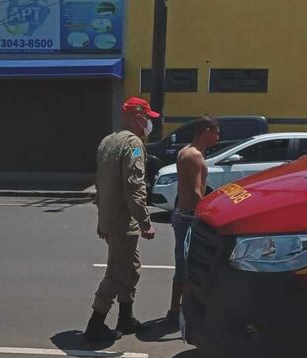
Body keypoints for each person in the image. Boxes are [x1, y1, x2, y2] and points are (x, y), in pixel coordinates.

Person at [84, 97, 159, 342]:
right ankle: (95, 323)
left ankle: (126, 317)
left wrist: (101, 219)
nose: (149, 123)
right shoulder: (133, 144)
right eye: (147, 118)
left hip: (109, 218)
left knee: (131, 268)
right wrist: (145, 221)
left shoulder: (108, 141)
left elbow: (100, 184)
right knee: (117, 272)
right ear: (139, 117)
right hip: (123, 221)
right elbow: (134, 186)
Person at [166, 115, 219, 326]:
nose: (218, 137)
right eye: (216, 133)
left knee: (183, 264)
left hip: (181, 214)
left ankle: (174, 309)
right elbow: (197, 192)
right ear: (206, 131)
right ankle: (181, 312)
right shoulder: (195, 156)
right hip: (189, 216)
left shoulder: (184, 151)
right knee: (188, 266)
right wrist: (210, 213)